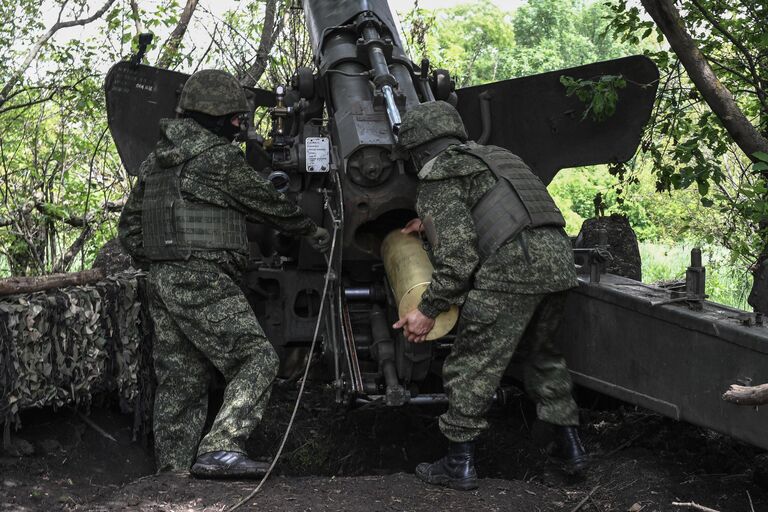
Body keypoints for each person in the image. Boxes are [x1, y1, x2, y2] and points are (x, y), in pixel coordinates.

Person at [118, 69, 330, 478]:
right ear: (213, 117)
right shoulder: (218, 158)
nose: (239, 124)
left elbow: (129, 231)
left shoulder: (154, 163)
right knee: (256, 357)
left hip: (162, 281)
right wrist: (311, 229)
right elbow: (267, 203)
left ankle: (172, 475)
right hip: (203, 277)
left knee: (182, 378)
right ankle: (221, 447)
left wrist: (165, 258)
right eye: (235, 117)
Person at [393, 101, 587, 491]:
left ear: (419, 149)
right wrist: (429, 226)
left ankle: (458, 465)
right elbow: (495, 213)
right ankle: (572, 450)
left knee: (471, 366)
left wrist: (427, 310)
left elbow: (459, 259)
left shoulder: (441, 172)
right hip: (559, 267)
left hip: (510, 273)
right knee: (543, 357)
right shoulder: (498, 157)